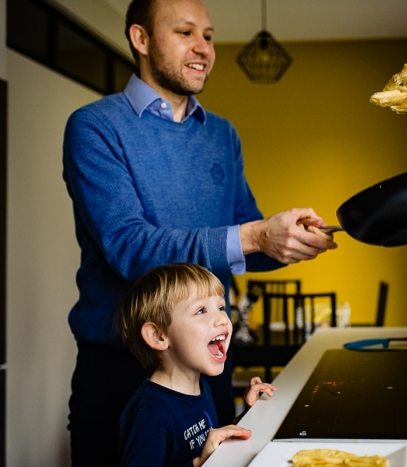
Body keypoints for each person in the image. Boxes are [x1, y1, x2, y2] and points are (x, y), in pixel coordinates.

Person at [62, 0, 336, 464]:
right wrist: (255, 236)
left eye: (208, 36)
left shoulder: (222, 135)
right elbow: (131, 247)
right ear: (141, 39)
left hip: (207, 368)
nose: (204, 48)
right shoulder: (94, 127)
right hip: (119, 372)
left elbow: (245, 239)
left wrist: (290, 240)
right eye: (185, 32)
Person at [118, 263, 275, 467]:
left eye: (221, 307)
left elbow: (210, 440)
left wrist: (249, 414)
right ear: (158, 336)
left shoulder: (201, 387)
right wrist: (198, 463)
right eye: (201, 310)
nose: (222, 319)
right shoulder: (150, 413)